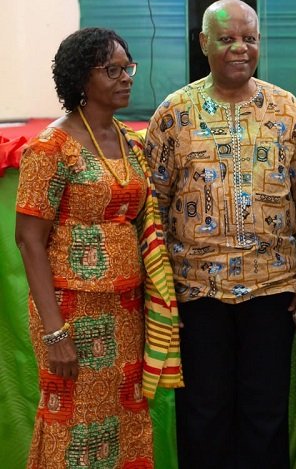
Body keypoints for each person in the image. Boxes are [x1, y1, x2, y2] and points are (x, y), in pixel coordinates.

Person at [144, 0, 296, 468]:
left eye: (250, 38)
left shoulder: (288, 110)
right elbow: (152, 207)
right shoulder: (173, 114)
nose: (240, 48)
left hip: (272, 289)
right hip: (196, 292)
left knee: (265, 416)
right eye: (227, 39)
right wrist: (161, 293)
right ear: (204, 43)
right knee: (203, 416)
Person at [15, 27, 181, 468]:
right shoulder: (51, 147)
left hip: (126, 311)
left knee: (125, 423)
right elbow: (29, 241)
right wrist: (55, 333)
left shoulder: (131, 142)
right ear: (81, 78)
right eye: (112, 70)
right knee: (73, 425)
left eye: (128, 68)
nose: (126, 77)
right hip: (72, 314)